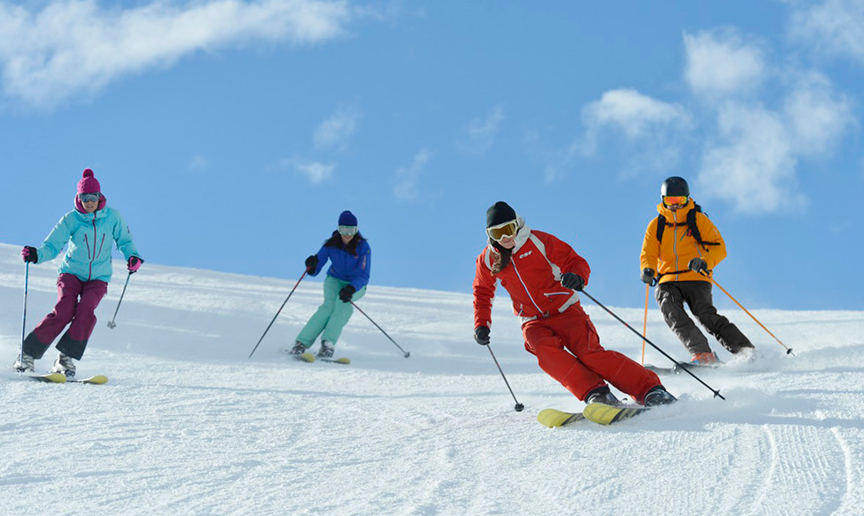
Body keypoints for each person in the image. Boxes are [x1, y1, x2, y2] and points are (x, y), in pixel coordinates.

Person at [472, 201, 675, 407]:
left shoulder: (540, 241)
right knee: (546, 353)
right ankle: (597, 393)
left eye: (508, 229)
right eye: (498, 233)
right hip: (533, 320)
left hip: (565, 310)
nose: (505, 237)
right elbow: (482, 292)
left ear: (517, 225)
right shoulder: (488, 260)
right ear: (489, 235)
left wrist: (576, 277)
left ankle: (650, 389)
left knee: (590, 354)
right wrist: (481, 324)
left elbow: (574, 261)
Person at [14, 169, 143, 377]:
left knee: (85, 311)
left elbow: (125, 241)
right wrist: (37, 255)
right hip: (71, 274)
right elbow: (53, 245)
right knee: (64, 310)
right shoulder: (71, 219)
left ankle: (65, 359)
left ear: (99, 196)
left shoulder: (112, 217)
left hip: (98, 278)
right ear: (79, 197)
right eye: (84, 198)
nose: (89, 202)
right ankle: (27, 353)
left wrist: (132, 257)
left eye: (92, 197)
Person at [639, 176, 755, 365]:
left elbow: (719, 248)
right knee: (671, 311)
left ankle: (746, 352)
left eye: (680, 200)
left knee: (705, 315)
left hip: (695, 276)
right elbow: (648, 253)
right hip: (667, 279)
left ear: (688, 199)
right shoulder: (656, 225)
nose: (675, 205)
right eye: (671, 200)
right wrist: (648, 269)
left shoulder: (698, 220)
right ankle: (703, 354)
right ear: (663, 200)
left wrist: (704, 261)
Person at [290, 210, 371, 359]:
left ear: (356, 230)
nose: (347, 234)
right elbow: (317, 264)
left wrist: (351, 288)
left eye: (351, 230)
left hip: (355, 285)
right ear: (338, 229)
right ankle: (301, 343)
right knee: (328, 308)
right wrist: (312, 265)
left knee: (342, 306)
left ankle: (327, 344)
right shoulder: (331, 244)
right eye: (343, 230)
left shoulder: (363, 247)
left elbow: (363, 275)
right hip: (334, 280)